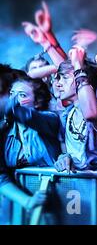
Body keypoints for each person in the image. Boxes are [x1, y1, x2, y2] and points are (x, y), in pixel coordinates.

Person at [53, 46, 97, 172]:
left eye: (65, 78)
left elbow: (91, 114)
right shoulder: (66, 115)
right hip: (80, 187)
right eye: (58, 78)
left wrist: (78, 64)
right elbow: (67, 152)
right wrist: (65, 157)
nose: (58, 83)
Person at [0, 75, 60, 212]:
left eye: (21, 95)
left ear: (37, 102)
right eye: (11, 94)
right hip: (19, 206)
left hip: (59, 197)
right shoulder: (5, 131)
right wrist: (27, 201)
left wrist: (7, 105)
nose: (13, 99)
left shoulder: (49, 120)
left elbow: (28, 115)